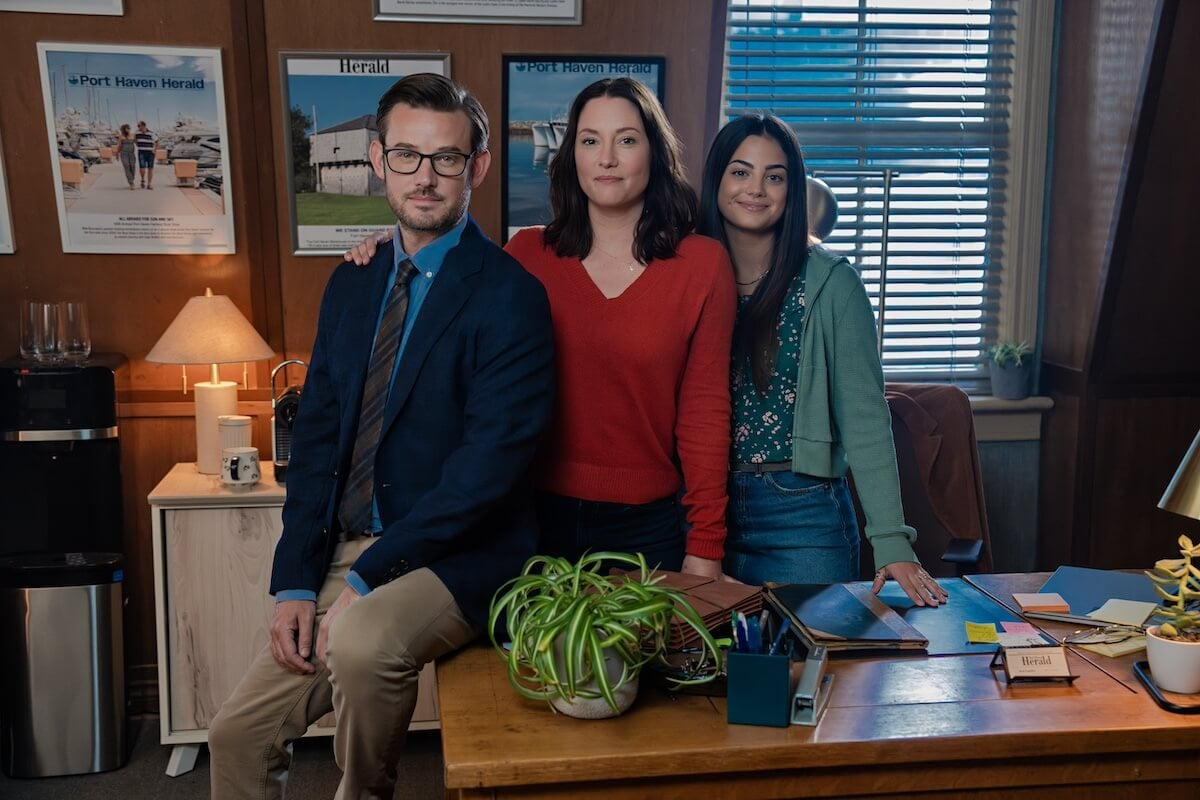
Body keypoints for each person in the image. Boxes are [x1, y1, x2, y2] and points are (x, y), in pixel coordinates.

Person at [207, 73, 556, 800]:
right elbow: (320, 443)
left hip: (456, 553)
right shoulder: (354, 282)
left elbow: (484, 474)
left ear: (478, 166)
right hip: (348, 546)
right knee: (234, 737)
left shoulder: (511, 296)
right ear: (377, 160)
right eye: (407, 155)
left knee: (361, 645)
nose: (425, 177)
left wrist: (365, 580)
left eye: (447, 158)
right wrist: (297, 580)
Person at [347, 78, 735, 579]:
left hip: (647, 530)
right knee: (516, 662)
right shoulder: (526, 255)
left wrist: (705, 544)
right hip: (526, 523)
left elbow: (706, 414)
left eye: (627, 139)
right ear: (572, 153)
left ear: (655, 152)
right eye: (590, 140)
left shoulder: (702, 265)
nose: (607, 158)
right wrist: (388, 248)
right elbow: (438, 307)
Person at [698, 113, 947, 606]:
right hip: (700, 512)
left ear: (793, 190)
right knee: (709, 673)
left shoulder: (832, 282)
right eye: (740, 171)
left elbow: (865, 416)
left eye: (775, 176)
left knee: (813, 670)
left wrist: (891, 540)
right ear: (717, 179)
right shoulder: (686, 272)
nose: (756, 189)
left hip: (803, 513)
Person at [134, 120, 157, 189]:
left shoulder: (151, 133)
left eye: (139, 126)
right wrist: (138, 144)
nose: (138, 127)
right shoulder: (137, 133)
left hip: (150, 153)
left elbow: (157, 142)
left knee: (150, 168)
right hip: (141, 152)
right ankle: (143, 179)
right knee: (142, 168)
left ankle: (149, 184)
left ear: (143, 126)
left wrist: (154, 150)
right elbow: (135, 140)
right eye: (137, 126)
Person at [116, 124, 137, 190]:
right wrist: (117, 154)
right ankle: (131, 182)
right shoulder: (121, 136)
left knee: (132, 166)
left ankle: (132, 179)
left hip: (131, 154)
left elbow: (137, 143)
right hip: (124, 154)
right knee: (126, 166)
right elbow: (119, 146)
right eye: (125, 129)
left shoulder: (133, 135)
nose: (127, 130)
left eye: (128, 128)